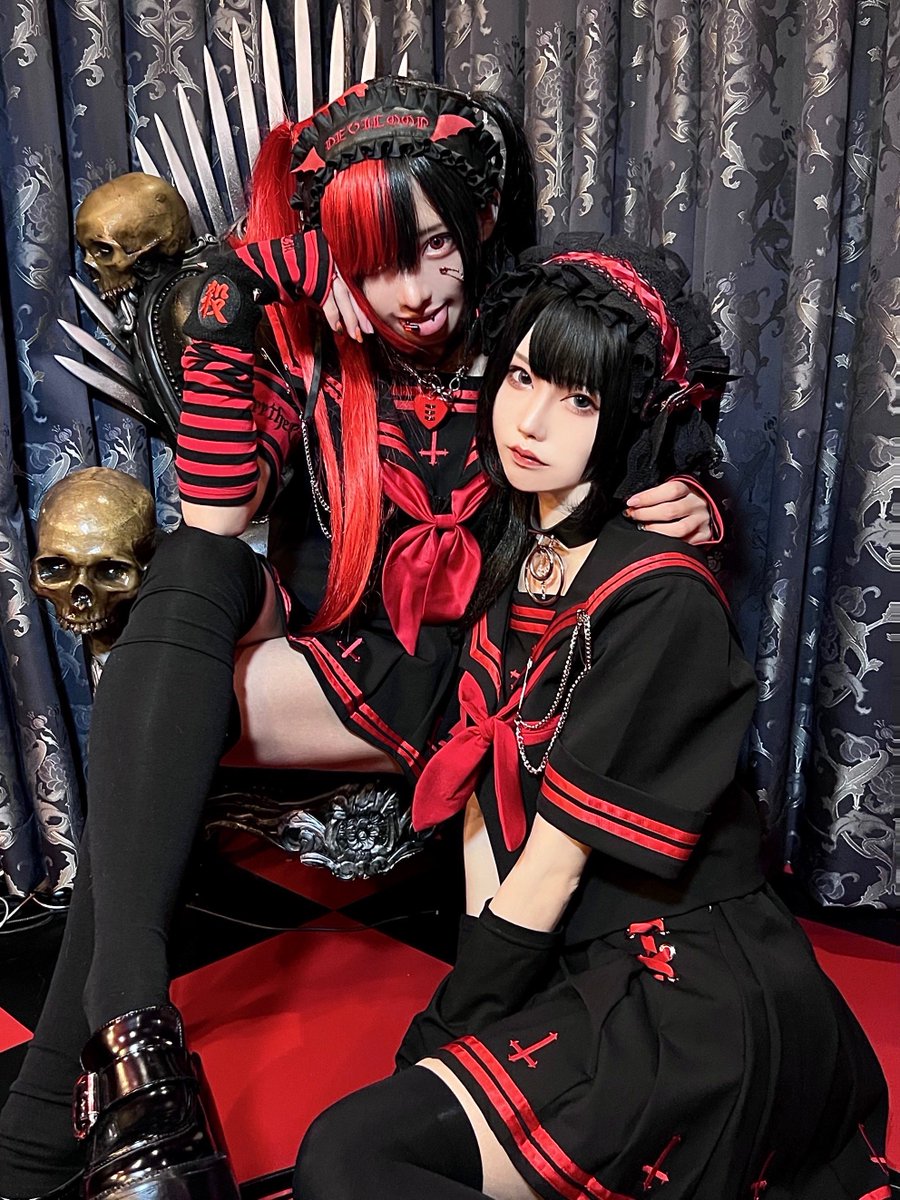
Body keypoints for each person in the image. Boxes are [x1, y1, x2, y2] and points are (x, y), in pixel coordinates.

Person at [0, 82, 718, 1200]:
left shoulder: (530, 333)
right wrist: (248, 286)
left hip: (478, 669)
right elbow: (219, 518)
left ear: (479, 223)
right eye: (378, 261)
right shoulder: (309, 347)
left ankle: (63, 1094)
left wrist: (691, 499)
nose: (415, 293)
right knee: (192, 568)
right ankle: (133, 1016)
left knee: (151, 740)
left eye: (433, 248)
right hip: (344, 648)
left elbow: (630, 435)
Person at [291, 236, 890, 1200]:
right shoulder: (516, 563)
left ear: (631, 421)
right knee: (355, 1149)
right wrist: (475, 1017)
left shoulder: (659, 599)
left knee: (348, 1158)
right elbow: (485, 794)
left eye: (580, 399)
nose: (529, 421)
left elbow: (556, 862)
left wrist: (452, 1023)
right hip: (569, 964)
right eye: (522, 377)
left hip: (685, 989)